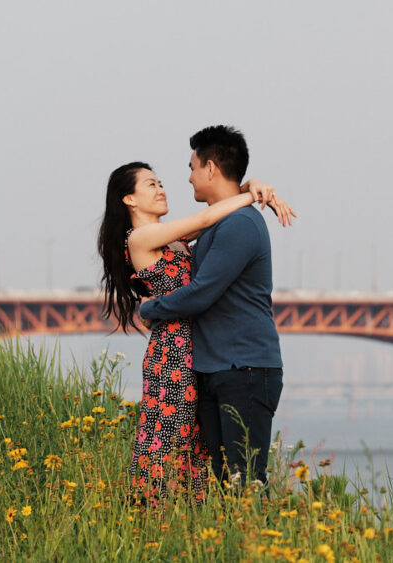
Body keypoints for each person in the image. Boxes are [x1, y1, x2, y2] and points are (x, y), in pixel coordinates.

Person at [97, 160, 289, 503]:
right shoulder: (140, 238)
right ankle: (151, 518)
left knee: (193, 447)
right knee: (167, 442)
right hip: (172, 353)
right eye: (151, 185)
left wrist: (250, 186)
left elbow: (213, 218)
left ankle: (188, 519)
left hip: (197, 352)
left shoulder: (174, 239)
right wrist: (252, 197)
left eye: (161, 183)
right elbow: (205, 218)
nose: (162, 189)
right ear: (129, 200)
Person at [139, 125, 290, 488]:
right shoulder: (219, 222)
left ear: (210, 169)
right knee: (224, 483)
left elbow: (203, 292)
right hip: (219, 369)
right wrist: (250, 186)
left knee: (246, 481)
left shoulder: (239, 225)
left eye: (192, 168)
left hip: (247, 369)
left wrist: (149, 309)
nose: (188, 178)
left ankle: (258, 543)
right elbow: (191, 231)